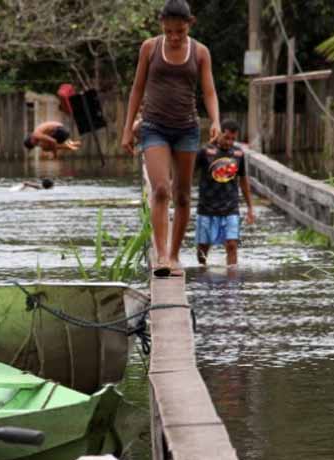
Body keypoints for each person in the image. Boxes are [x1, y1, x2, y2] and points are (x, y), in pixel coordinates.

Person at [121, 0, 220, 277]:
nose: (174, 37)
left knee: (183, 196)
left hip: (187, 129)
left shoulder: (200, 52)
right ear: (161, 26)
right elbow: (137, 88)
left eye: (180, 31)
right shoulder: (149, 48)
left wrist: (215, 120)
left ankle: (175, 255)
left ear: (190, 24)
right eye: (169, 31)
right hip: (154, 127)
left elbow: (209, 91)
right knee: (162, 189)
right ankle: (162, 255)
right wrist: (128, 128)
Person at [195, 120, 254, 268]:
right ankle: (202, 273)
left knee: (232, 245)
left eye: (233, 139)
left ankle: (231, 278)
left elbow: (243, 181)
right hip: (206, 207)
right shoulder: (205, 152)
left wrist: (250, 207)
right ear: (219, 133)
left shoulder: (238, 154)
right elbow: (188, 173)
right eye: (226, 137)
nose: (229, 142)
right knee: (202, 250)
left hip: (230, 207)